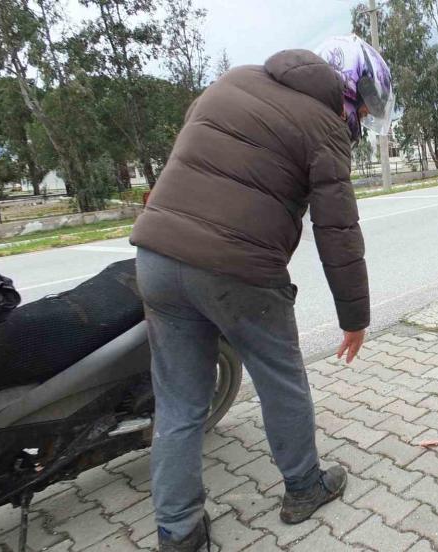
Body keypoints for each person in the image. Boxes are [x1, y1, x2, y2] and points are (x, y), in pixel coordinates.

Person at [129, 34, 393, 551]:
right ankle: (304, 487)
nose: (362, 116)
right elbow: (337, 232)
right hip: (239, 269)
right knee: (281, 381)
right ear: (347, 88)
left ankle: (178, 533)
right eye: (363, 104)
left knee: (180, 404)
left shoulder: (232, 80)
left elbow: (188, 155)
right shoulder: (324, 126)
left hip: (156, 257)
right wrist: (354, 318)